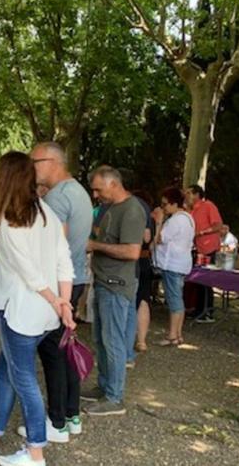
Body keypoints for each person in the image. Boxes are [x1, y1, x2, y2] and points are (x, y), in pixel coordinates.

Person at [0, 151, 75, 466]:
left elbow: (30, 273)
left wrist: (59, 301)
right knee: (7, 373)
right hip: (43, 314)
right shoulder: (46, 212)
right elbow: (64, 261)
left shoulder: (10, 221)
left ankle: (35, 452)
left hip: (21, 313)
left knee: (24, 380)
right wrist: (64, 302)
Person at [30, 141, 92, 440]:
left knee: (53, 354)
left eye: (35, 162)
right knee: (65, 351)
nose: (31, 169)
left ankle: (55, 423)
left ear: (52, 161)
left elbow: (52, 245)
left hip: (58, 285)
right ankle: (71, 415)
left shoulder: (56, 199)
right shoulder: (77, 191)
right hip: (75, 278)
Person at [82, 165, 145, 416]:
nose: (96, 195)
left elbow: (132, 251)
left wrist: (94, 245)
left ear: (113, 184)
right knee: (101, 339)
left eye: (98, 189)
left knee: (114, 341)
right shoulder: (110, 208)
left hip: (117, 285)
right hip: (102, 281)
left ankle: (115, 397)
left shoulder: (132, 210)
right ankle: (105, 386)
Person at [151, 187, 195, 347]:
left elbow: (159, 239)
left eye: (165, 204)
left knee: (174, 300)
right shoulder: (188, 218)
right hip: (181, 263)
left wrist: (158, 222)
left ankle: (173, 335)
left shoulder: (176, 220)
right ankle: (177, 333)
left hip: (172, 264)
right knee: (177, 298)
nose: (163, 208)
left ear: (175, 204)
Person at [185, 184, 224, 322]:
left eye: (189, 193)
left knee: (206, 280)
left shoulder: (208, 206)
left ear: (197, 194)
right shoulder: (192, 211)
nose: (186, 195)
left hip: (209, 247)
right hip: (199, 249)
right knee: (199, 280)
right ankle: (198, 309)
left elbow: (218, 225)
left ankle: (208, 312)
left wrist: (201, 233)